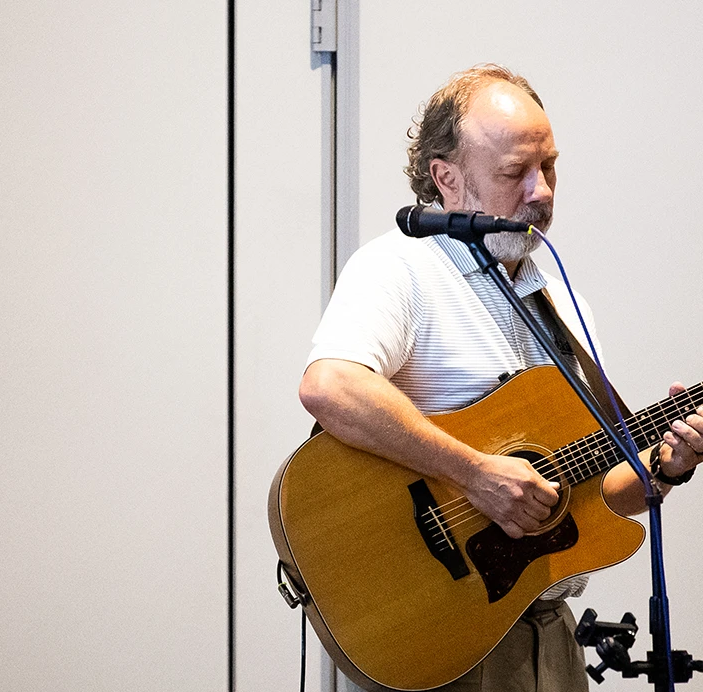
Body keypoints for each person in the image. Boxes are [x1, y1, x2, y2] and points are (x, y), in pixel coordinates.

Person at [298, 64, 703, 692]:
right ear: (448, 180)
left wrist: (667, 465)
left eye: (550, 167)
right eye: (515, 173)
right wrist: (476, 474)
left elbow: (595, 497)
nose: (541, 192)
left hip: (547, 633)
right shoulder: (400, 268)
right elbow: (330, 388)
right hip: (443, 639)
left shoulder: (561, 305)